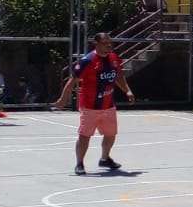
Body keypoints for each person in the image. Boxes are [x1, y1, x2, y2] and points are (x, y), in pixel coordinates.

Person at [54, 32, 136, 175]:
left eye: (110, 43)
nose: (109, 46)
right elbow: (72, 81)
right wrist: (63, 99)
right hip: (90, 107)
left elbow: (118, 76)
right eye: (105, 44)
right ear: (96, 44)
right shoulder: (87, 61)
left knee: (111, 134)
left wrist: (127, 90)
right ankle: (80, 163)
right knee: (85, 135)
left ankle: (104, 158)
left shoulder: (114, 58)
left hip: (108, 105)